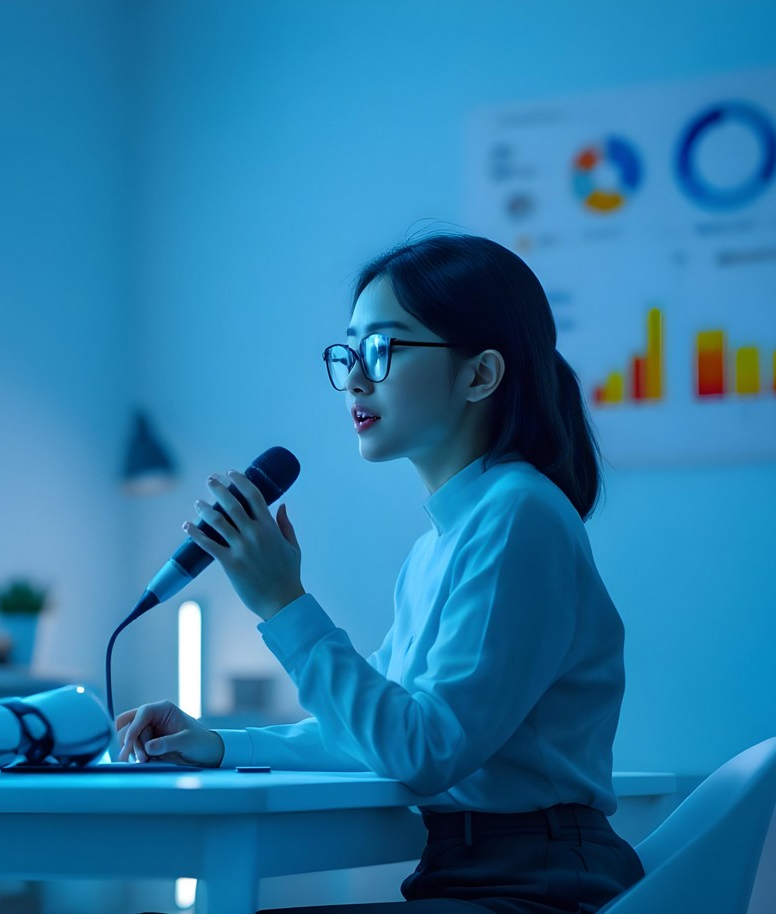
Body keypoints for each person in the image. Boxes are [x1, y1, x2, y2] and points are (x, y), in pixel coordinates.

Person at [114, 234, 643, 914]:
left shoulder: (519, 515)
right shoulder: (445, 543)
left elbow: (423, 750)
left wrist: (283, 602)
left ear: (481, 375)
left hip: (536, 884)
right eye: (351, 351)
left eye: (384, 348)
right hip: (474, 873)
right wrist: (217, 743)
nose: (357, 379)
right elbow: (381, 731)